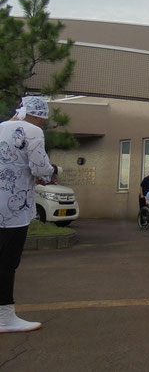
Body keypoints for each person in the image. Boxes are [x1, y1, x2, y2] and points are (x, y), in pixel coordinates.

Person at [0, 96, 58, 332]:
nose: (42, 126)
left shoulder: (1, 127)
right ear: (37, 116)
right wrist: (51, 173)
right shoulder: (31, 130)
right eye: (42, 121)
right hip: (13, 210)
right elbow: (40, 168)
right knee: (7, 263)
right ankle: (5, 318)